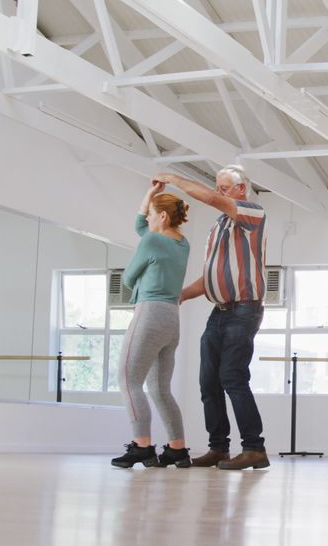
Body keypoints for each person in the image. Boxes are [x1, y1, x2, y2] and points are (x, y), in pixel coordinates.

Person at [153, 167, 270, 471]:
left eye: (225, 188)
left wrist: (174, 180)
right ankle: (219, 448)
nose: (220, 193)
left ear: (241, 190)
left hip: (244, 310)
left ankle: (254, 449)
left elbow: (208, 199)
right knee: (208, 383)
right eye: (218, 188)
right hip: (218, 312)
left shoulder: (252, 215)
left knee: (232, 377)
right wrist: (178, 295)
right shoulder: (218, 228)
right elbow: (209, 279)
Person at [111, 182, 192, 469]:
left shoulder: (152, 241)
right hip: (171, 318)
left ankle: (142, 446)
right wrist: (150, 195)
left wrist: (139, 279)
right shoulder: (181, 244)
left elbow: (128, 277)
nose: (146, 217)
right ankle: (177, 450)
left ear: (163, 217)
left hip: (149, 313)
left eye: (151, 213)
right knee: (160, 389)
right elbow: (141, 226)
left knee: (128, 379)